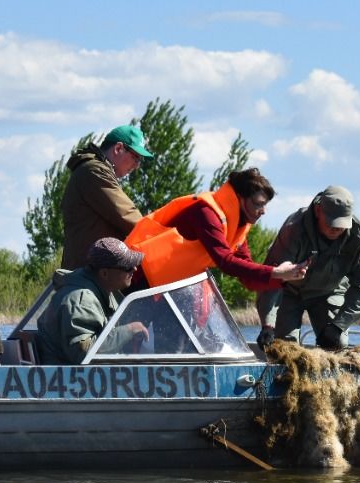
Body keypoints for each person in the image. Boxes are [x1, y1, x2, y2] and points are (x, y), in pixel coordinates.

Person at [124, 167, 310, 290]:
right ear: (239, 197)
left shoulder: (236, 226)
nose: (263, 211)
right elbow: (225, 261)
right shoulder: (206, 212)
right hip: (140, 280)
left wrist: (285, 276)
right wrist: (275, 272)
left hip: (166, 288)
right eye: (258, 204)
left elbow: (247, 277)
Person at [256, 185, 360, 350]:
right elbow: (272, 276)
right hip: (289, 293)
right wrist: (268, 325)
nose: (336, 229)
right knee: (284, 347)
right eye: (332, 223)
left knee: (337, 343)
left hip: (329, 293)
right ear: (318, 210)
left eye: (342, 225)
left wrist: (338, 326)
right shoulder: (294, 228)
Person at [35, 238, 150, 364]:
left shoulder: (99, 290)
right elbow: (84, 354)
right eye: (127, 266)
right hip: (65, 380)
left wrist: (126, 338)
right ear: (105, 273)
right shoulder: (82, 300)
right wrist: (129, 330)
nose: (134, 269)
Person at [60, 124, 155, 270]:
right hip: (89, 276)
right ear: (118, 148)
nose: (136, 165)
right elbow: (129, 217)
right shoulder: (95, 171)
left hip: (93, 271)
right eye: (136, 157)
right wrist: (161, 235)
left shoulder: (93, 170)